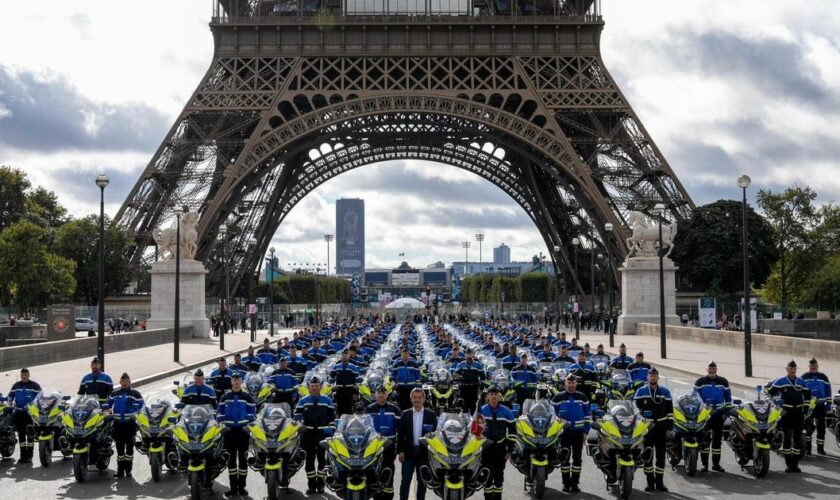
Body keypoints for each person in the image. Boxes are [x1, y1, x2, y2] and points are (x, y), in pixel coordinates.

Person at [766, 360, 811, 472]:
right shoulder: (781, 381)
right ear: (787, 369)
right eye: (791, 368)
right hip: (786, 412)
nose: (793, 370)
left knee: (797, 439)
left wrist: (805, 407)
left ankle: (795, 464)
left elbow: (807, 395)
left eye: (794, 369)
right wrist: (776, 402)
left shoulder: (801, 381)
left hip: (798, 413)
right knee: (786, 438)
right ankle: (788, 464)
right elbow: (768, 392)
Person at [293, 376, 336, 494]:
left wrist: (331, 428)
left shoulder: (327, 400)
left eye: (317, 386)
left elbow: (332, 417)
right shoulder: (303, 400)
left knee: (322, 461)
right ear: (309, 387)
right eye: (312, 386)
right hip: (308, 434)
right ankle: (312, 486)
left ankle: (321, 485)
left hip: (322, 434)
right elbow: (296, 416)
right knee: (310, 461)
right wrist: (300, 425)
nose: (315, 388)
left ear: (321, 387)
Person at [218, 372, 256, 497]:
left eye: (238, 379)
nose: (236, 381)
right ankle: (233, 488)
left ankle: (242, 488)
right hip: (229, 433)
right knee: (231, 461)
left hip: (243, 432)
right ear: (231, 382)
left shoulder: (247, 396)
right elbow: (219, 412)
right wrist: (221, 421)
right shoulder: (225, 396)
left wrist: (249, 421)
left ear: (241, 382)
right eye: (234, 379)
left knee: (243, 461)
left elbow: (253, 413)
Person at [634, 368, 672, 492]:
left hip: (661, 428)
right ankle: (650, 482)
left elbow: (670, 412)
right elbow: (635, 409)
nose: (653, 377)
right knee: (647, 456)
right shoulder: (640, 391)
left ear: (658, 377)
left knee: (661, 456)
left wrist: (669, 427)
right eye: (651, 375)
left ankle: (660, 483)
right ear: (647, 377)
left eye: (655, 376)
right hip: (647, 429)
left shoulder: (665, 392)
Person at [552, 374, 591, 492]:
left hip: (579, 432)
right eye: (569, 383)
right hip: (564, 433)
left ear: (576, 384)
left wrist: (586, 431)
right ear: (565, 384)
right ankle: (565, 483)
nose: (571, 385)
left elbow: (588, 415)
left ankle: (575, 483)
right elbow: (553, 416)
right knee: (565, 458)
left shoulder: (582, 397)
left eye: (573, 383)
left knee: (577, 459)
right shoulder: (558, 397)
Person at [397, 388, 437, 500]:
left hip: (424, 454)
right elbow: (400, 435)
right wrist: (400, 451)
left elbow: (436, 435)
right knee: (405, 481)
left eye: (420, 397)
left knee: (422, 482)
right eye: (415, 397)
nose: (417, 400)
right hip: (408, 453)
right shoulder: (405, 414)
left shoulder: (431, 415)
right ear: (411, 399)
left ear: (424, 399)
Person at [693, 361, 731, 471]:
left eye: (714, 368)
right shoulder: (700, 381)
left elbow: (728, 399)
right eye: (710, 368)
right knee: (704, 440)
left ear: (716, 369)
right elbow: (695, 396)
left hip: (719, 414)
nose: (712, 370)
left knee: (717, 440)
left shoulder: (723, 382)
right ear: (707, 369)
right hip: (705, 414)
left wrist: (727, 414)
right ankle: (704, 465)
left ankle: (716, 464)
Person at [365, 385, 401, 500]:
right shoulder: (369, 409)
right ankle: (376, 494)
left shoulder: (394, 409)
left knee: (388, 469)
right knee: (375, 469)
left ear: (387, 395)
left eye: (383, 393)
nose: (381, 395)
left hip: (389, 445)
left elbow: (400, 429)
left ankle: (388, 494)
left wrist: (398, 447)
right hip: (373, 445)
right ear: (375, 395)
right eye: (379, 393)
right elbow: (365, 427)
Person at [480, 386, 515, 500]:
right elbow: (474, 430)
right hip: (486, 449)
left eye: (496, 394)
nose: (494, 396)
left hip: (501, 448)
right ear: (488, 396)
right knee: (487, 477)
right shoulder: (481, 410)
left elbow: (513, 432)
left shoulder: (506, 411)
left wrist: (510, 450)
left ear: (499, 396)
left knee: (499, 476)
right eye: (491, 394)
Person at [108, 373, 144, 478]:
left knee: (129, 449)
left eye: (126, 381)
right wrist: (106, 409)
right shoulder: (115, 393)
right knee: (119, 450)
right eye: (122, 381)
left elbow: (142, 406)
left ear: (130, 382)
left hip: (130, 425)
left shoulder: (135, 394)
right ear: (119, 382)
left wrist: (136, 412)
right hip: (118, 425)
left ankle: (128, 470)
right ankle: (120, 471)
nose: (124, 383)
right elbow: (107, 404)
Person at [6, 368, 41, 463]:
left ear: (29, 375)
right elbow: (10, 396)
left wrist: (32, 405)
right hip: (18, 414)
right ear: (20, 375)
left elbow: (40, 397)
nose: (24, 376)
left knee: (30, 435)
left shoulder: (35, 385)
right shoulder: (16, 385)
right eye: (22, 375)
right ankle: (22, 456)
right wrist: (9, 405)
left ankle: (29, 456)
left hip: (30, 414)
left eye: (26, 375)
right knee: (21, 435)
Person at [801, 358, 832, 455]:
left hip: (820, 406)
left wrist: (829, 405)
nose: (813, 367)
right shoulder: (804, 377)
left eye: (815, 366)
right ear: (809, 367)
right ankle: (807, 448)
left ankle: (820, 449)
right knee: (808, 428)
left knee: (821, 428)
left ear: (817, 366)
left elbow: (828, 391)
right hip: (809, 407)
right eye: (811, 366)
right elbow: (800, 390)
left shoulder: (823, 377)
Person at [330, 349, 362, 416]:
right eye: (343, 355)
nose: (344, 356)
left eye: (346, 355)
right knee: (340, 409)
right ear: (341, 356)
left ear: (349, 356)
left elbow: (358, 378)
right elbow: (332, 375)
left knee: (349, 409)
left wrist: (355, 392)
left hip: (349, 390)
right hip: (340, 390)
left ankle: (348, 425)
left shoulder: (353, 367)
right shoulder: (337, 366)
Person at [453, 349, 485, 414]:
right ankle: (465, 421)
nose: (469, 356)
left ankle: (472, 421)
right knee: (464, 406)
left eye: (470, 354)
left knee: (473, 405)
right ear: (465, 355)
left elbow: (483, 376)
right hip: (464, 387)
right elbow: (455, 374)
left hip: (474, 387)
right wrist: (458, 376)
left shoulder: (477, 365)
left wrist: (481, 386)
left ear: (473, 355)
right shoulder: (461, 364)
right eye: (467, 354)